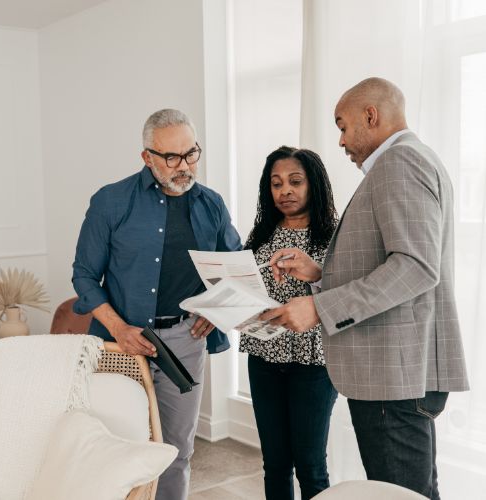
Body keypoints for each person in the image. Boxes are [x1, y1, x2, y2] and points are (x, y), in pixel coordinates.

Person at [261, 78, 470, 499]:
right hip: (399, 370)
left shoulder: (399, 163)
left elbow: (414, 267)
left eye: (342, 126)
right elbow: (390, 259)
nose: (340, 140)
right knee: (413, 491)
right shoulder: (418, 159)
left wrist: (320, 307)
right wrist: (321, 272)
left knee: (400, 494)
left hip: (392, 374)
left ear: (370, 116)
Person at [72, 109, 241, 500]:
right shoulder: (111, 201)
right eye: (171, 157)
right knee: (119, 447)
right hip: (121, 342)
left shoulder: (211, 204)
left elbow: (233, 270)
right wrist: (119, 329)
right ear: (147, 156)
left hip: (185, 339)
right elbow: (84, 276)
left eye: (191, 154)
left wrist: (215, 312)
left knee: (176, 450)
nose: (184, 166)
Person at [240, 146, 338, 500]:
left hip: (314, 364)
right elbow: (244, 290)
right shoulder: (260, 235)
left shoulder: (336, 234)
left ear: (313, 185)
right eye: (276, 184)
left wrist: (316, 272)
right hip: (263, 359)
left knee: (311, 465)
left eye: (295, 182)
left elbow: (349, 294)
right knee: (275, 464)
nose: (285, 191)